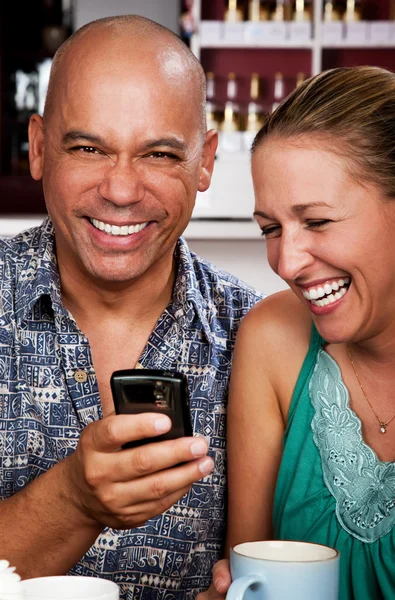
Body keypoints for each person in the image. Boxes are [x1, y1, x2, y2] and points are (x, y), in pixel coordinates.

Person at [0, 15, 262, 600]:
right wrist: (72, 500)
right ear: (39, 148)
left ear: (205, 162)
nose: (121, 191)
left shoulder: (262, 336)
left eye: (160, 154)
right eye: (89, 148)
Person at [199, 65, 395, 600]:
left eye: (318, 221)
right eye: (271, 228)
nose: (286, 261)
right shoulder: (272, 341)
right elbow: (252, 571)